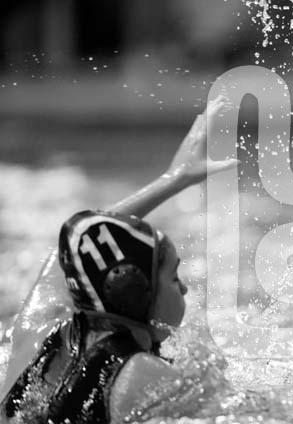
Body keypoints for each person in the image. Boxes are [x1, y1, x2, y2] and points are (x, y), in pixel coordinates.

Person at [0, 96, 238, 423]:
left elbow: (74, 249)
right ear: (134, 291)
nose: (183, 288)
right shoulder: (142, 373)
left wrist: (174, 179)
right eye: (173, 277)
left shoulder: (38, 335)